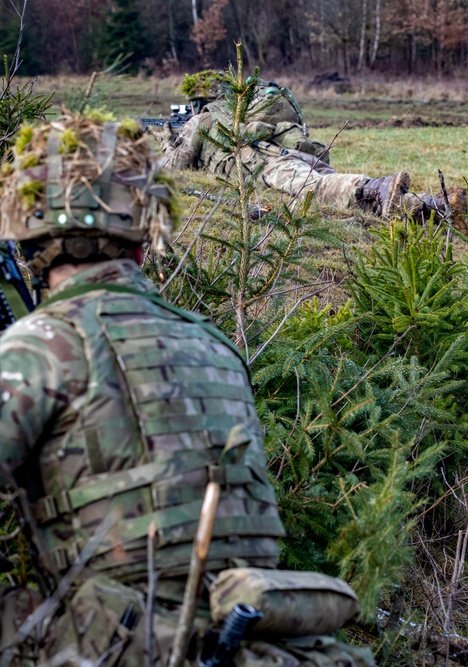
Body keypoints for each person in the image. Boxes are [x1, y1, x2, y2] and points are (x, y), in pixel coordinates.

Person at [0, 115, 372, 666]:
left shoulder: (44, 343)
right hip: (241, 634)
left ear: (31, 237)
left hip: (120, 643)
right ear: (146, 237)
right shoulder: (214, 345)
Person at [161, 73, 468, 226]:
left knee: (321, 189)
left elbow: (173, 166)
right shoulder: (239, 120)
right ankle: (437, 207)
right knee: (350, 198)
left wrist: (167, 142)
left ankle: (382, 185)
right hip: (290, 154)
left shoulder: (201, 121)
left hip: (267, 165)